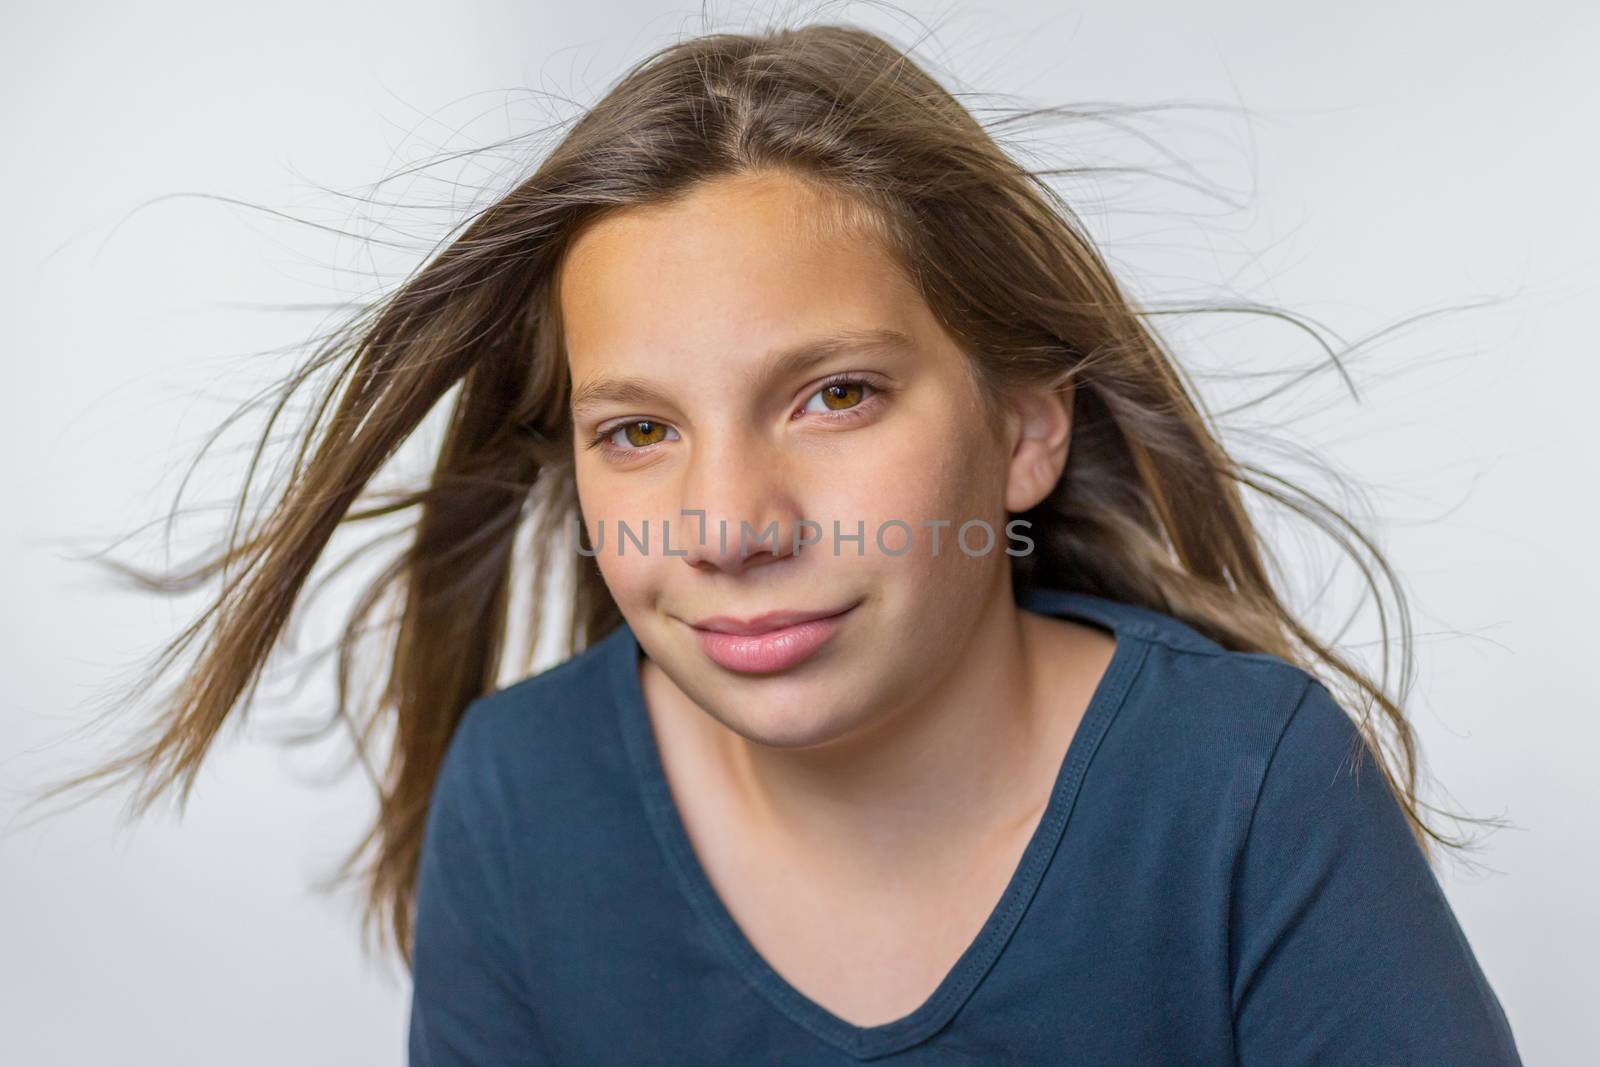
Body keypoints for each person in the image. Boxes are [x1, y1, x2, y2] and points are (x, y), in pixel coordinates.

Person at [41, 22, 1522, 1065]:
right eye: (638, 430)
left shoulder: (1248, 789)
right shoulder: (524, 798)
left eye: (834, 396)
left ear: (1024, 429)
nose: (732, 527)